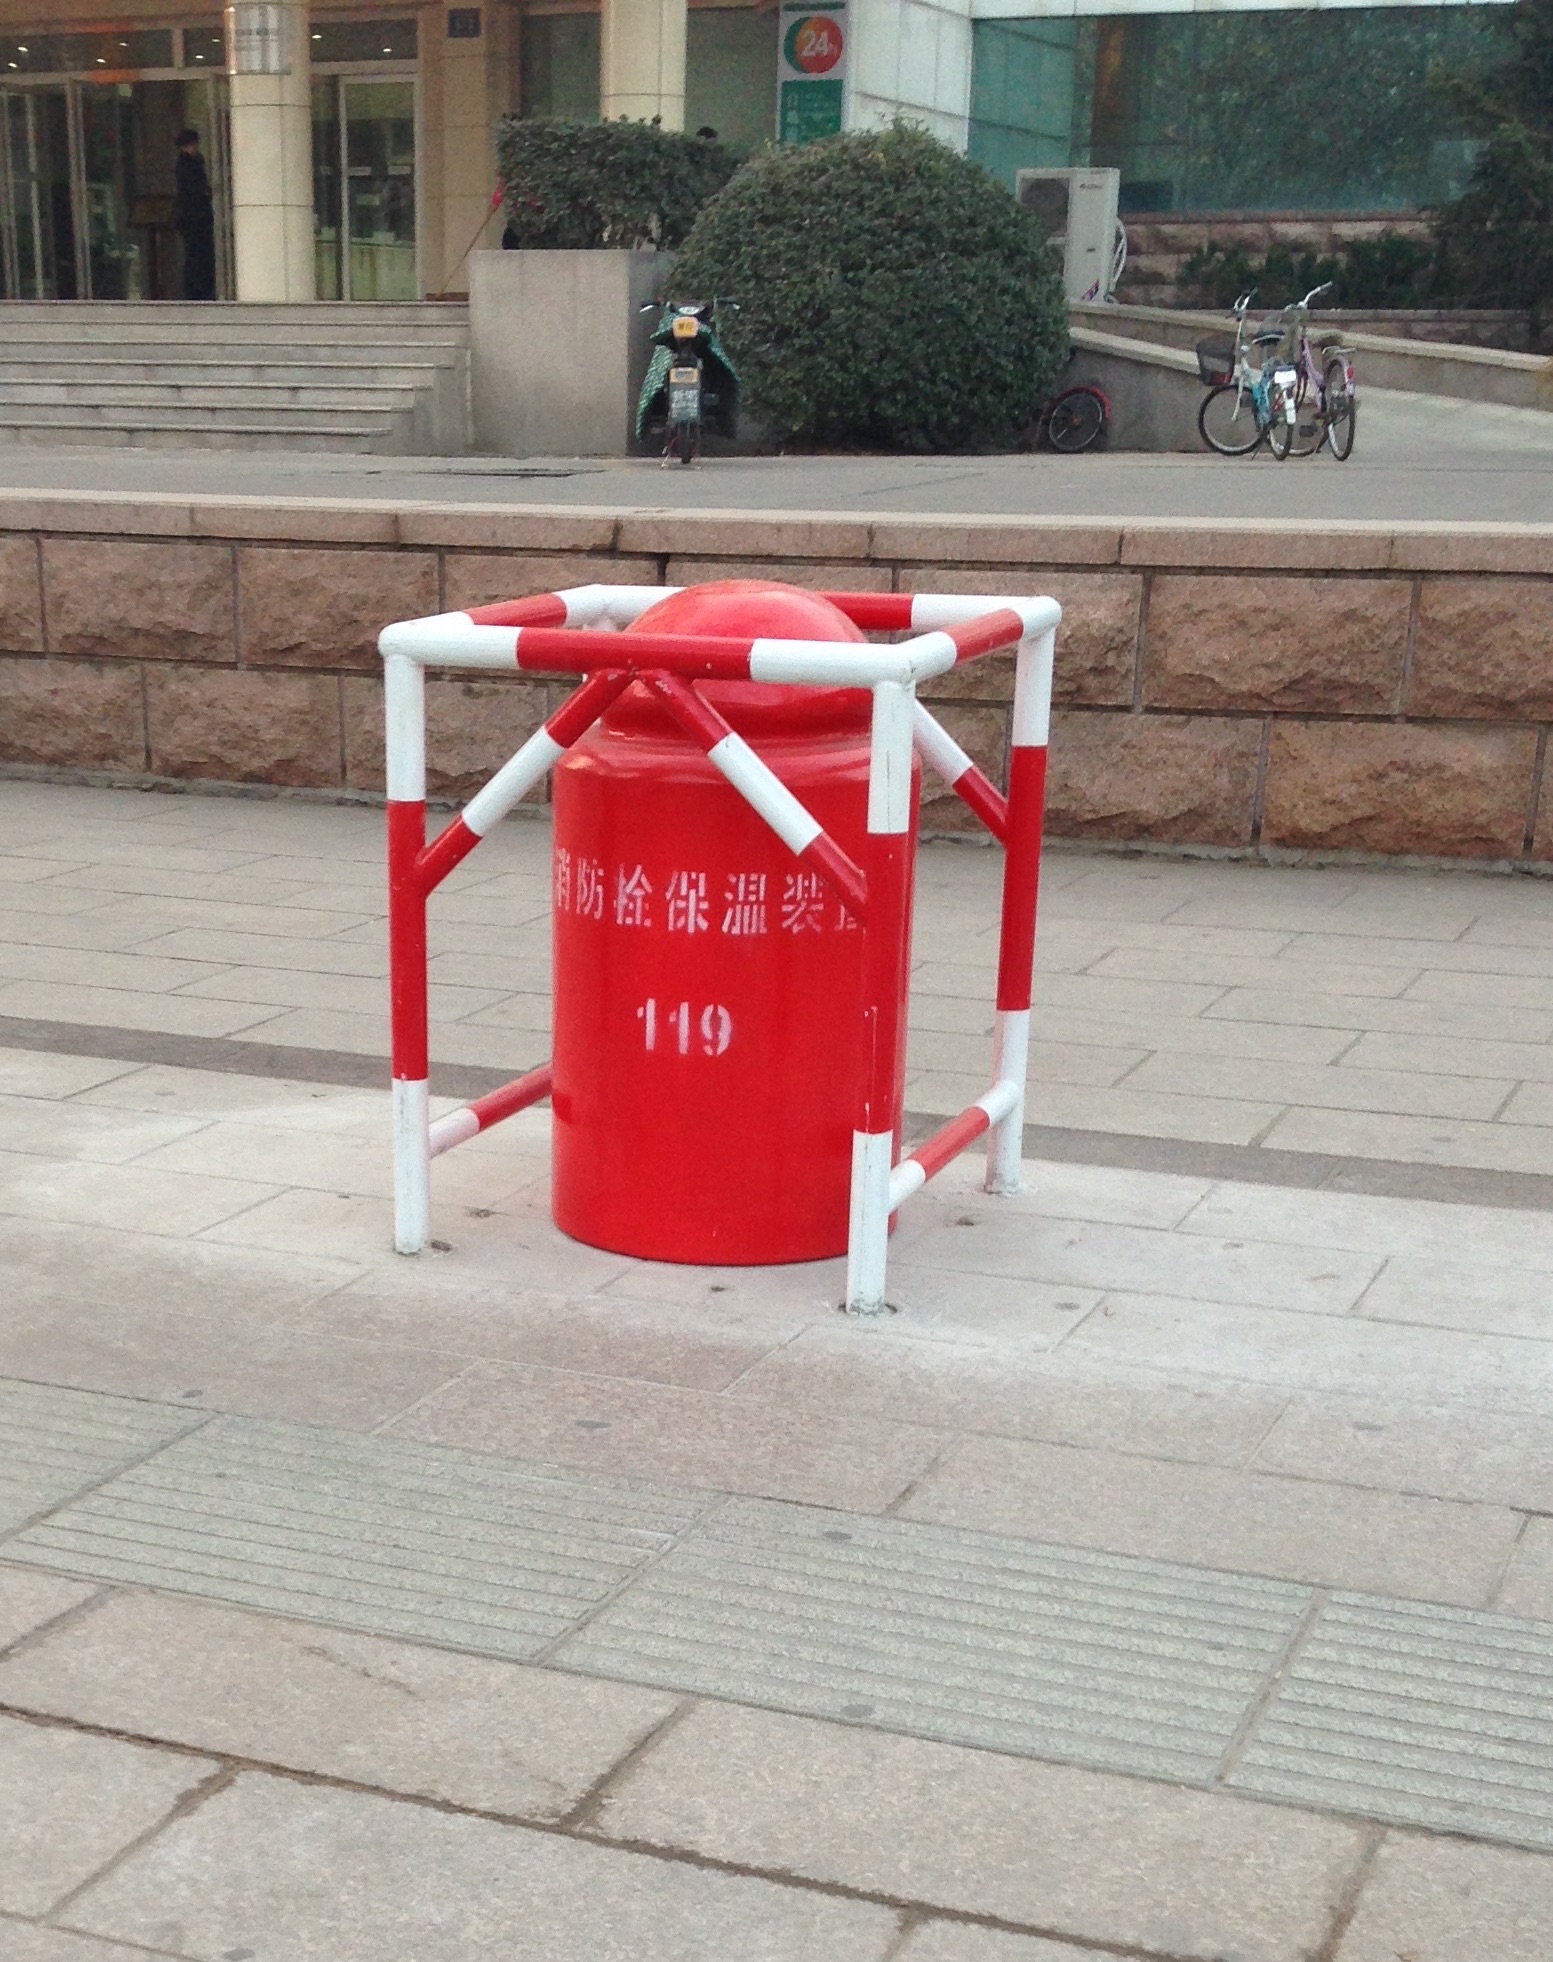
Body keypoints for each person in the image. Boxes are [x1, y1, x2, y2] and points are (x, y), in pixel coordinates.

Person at [173, 127, 216, 301]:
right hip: (196, 219)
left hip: (191, 218)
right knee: (199, 256)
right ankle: (200, 290)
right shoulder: (190, 164)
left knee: (194, 255)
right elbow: (196, 190)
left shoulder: (184, 163)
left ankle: (197, 289)